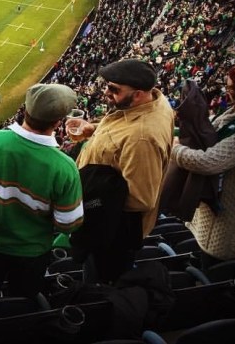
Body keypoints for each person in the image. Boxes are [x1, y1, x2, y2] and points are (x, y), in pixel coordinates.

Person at [0, 83, 84, 298]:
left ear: (25, 110)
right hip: (32, 254)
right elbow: (68, 224)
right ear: (57, 122)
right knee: (20, 307)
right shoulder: (64, 167)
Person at [73, 59, 174, 282]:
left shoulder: (141, 139)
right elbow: (125, 128)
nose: (106, 92)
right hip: (108, 221)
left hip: (112, 230)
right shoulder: (154, 100)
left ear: (138, 94)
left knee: (99, 280)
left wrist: (90, 203)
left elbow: (141, 198)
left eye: (114, 89)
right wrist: (94, 129)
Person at [171, 60, 235, 267]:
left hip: (228, 230)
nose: (227, 91)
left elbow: (208, 161)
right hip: (210, 221)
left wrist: (175, 148)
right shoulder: (233, 113)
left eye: (232, 88)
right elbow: (207, 132)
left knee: (215, 281)